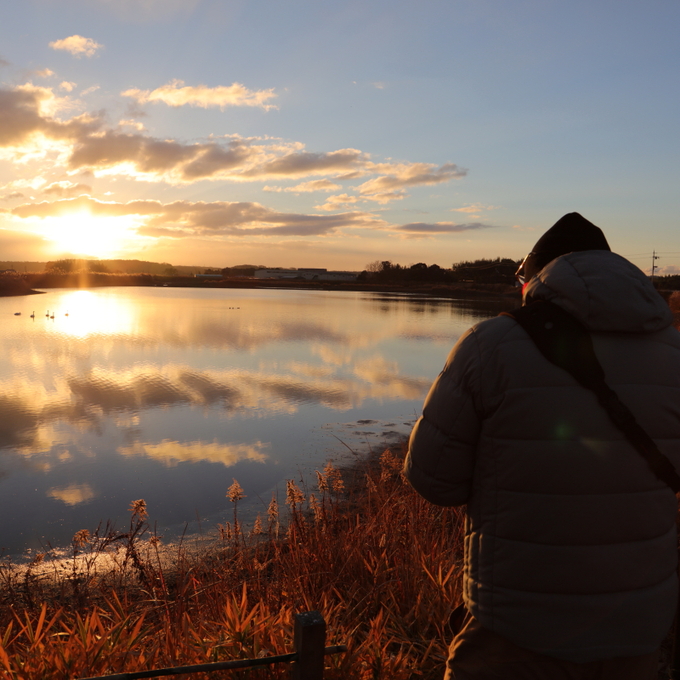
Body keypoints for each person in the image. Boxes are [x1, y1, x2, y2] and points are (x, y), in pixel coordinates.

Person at [404, 212, 680, 680]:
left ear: (538, 279)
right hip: (636, 630)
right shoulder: (674, 353)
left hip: (514, 629)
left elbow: (433, 480)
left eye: (520, 278)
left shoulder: (489, 344)